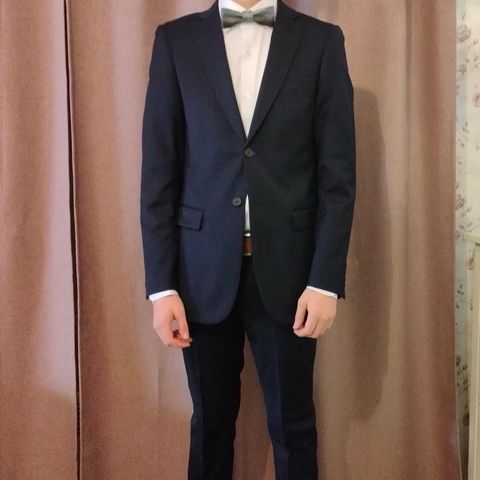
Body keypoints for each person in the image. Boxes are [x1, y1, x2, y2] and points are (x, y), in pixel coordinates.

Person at [140, 0, 356, 478]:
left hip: (292, 275)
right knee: (210, 427)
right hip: (199, 275)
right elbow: (159, 175)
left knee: (294, 428)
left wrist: (324, 281)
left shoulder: (321, 42)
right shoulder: (176, 42)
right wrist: (162, 286)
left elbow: (338, 179)